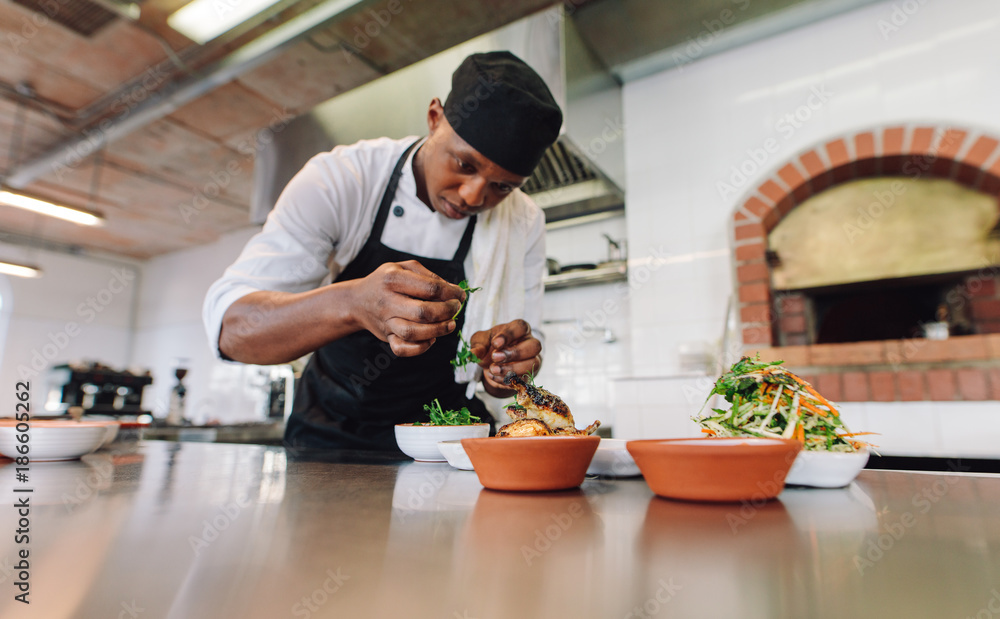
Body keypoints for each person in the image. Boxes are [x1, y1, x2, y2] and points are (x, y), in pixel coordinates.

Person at [203, 51, 563, 450]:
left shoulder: (524, 222)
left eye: (503, 187)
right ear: (434, 118)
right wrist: (353, 303)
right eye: (463, 164)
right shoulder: (341, 180)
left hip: (448, 441)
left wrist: (508, 370)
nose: (473, 196)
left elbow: (515, 377)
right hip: (329, 436)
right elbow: (232, 331)